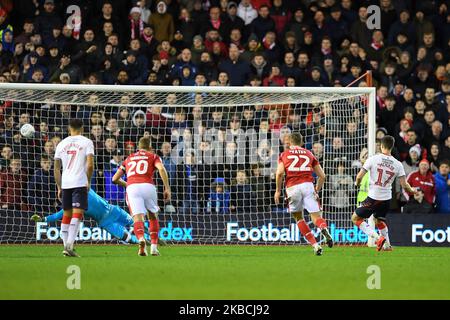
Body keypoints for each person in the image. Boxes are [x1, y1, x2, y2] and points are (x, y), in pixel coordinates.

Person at [352, 136, 418, 252]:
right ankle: (387, 246)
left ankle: (378, 238)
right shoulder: (398, 164)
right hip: (386, 199)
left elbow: (359, 176)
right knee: (379, 221)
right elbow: (404, 185)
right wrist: (412, 190)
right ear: (391, 147)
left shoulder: (373, 159)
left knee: (355, 218)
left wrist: (357, 183)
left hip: (373, 197)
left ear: (381, 146)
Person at [274, 132, 332, 256]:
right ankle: (323, 228)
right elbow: (322, 176)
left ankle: (315, 245)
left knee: (299, 218)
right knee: (316, 216)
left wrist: (278, 190)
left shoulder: (284, 154)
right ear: (302, 142)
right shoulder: (309, 153)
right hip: (308, 185)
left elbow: (279, 173)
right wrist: (316, 188)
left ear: (289, 142)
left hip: (292, 187)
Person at [112, 137, 171, 256]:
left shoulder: (129, 158)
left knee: (137, 218)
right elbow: (161, 169)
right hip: (148, 186)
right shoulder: (153, 156)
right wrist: (167, 188)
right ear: (150, 147)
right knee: (153, 216)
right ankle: (154, 248)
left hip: (133, 187)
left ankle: (141, 240)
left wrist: (129, 184)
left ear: (138, 147)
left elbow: (115, 179)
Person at [30, 189, 150, 244]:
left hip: (114, 210)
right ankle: (145, 244)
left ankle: (154, 238)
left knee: (136, 223)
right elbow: (58, 215)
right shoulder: (74, 206)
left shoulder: (85, 187)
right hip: (106, 223)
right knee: (128, 239)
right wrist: (42, 219)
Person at [54, 119, 95, 257]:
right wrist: (88, 180)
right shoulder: (87, 142)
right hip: (79, 182)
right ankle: (70, 245)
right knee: (77, 214)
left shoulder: (61, 144)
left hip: (66, 183)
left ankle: (65, 246)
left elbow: (56, 168)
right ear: (82, 128)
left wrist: (59, 187)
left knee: (67, 215)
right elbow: (90, 165)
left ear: (68, 128)